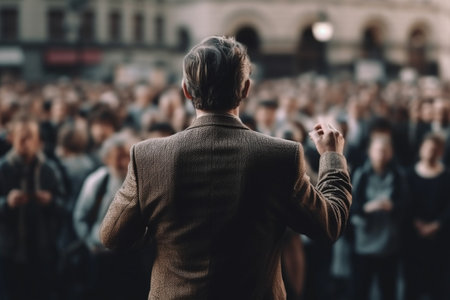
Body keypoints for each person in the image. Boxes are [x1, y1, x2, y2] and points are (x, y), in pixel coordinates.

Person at [100, 36, 352, 300]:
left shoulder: (148, 156)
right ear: (245, 88)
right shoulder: (281, 156)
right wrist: (332, 158)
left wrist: (159, 229)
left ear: (186, 90)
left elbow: (111, 236)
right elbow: (330, 225)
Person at [0, 113, 65, 300]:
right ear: (12, 138)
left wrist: (50, 200)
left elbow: (65, 205)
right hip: (10, 249)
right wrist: (6, 202)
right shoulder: (3, 169)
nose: (26, 142)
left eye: (31, 137)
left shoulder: (49, 169)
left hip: (42, 247)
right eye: (22, 137)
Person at [350, 120, 407, 300]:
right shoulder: (360, 175)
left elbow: (405, 204)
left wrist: (393, 206)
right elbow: (351, 206)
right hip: (364, 240)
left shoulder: (398, 175)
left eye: (385, 151)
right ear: (370, 152)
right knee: (360, 288)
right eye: (377, 150)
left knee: (388, 289)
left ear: (390, 153)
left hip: (388, 241)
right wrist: (368, 207)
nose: (381, 155)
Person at [403, 133, 450, 300]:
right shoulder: (408, 174)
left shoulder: (446, 176)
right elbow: (406, 204)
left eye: (435, 149)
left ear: (441, 152)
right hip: (414, 238)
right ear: (421, 149)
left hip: (440, 238)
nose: (431, 152)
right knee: (413, 284)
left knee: (438, 285)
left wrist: (436, 225)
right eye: (428, 148)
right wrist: (416, 224)